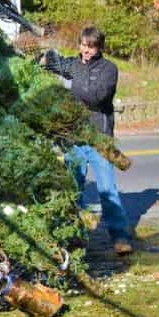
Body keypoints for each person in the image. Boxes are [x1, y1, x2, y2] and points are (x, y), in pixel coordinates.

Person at [41, 27, 133, 255]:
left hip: (99, 139)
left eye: (90, 46)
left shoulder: (108, 69)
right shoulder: (72, 64)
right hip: (73, 138)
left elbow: (96, 97)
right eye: (83, 45)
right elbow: (49, 63)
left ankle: (120, 236)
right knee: (73, 189)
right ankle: (73, 236)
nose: (86, 50)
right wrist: (44, 58)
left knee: (107, 189)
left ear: (99, 47)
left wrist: (67, 90)